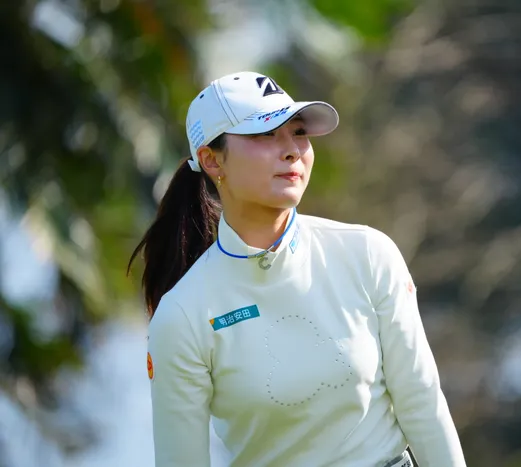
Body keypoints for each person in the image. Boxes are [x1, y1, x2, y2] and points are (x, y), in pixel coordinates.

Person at [128, 71, 467, 467]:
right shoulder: (182, 315)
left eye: (299, 133)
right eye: (265, 134)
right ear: (211, 159)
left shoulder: (367, 253)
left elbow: (423, 403)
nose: (291, 150)